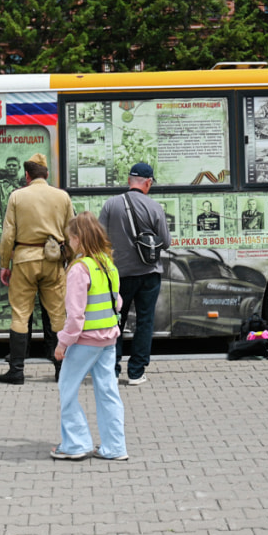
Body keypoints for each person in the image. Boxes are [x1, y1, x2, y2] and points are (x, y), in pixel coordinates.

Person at [50, 213, 128, 461]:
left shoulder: (79, 269)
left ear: (78, 238)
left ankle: (76, 444)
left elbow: (75, 316)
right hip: (108, 339)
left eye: (70, 238)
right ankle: (115, 448)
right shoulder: (107, 263)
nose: (68, 243)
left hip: (85, 341)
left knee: (68, 389)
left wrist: (63, 343)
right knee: (108, 392)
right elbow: (117, 302)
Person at [0, 154, 76, 385]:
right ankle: (62, 369)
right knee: (57, 316)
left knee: (20, 314)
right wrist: (68, 260)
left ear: (27, 175)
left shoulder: (17, 196)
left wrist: (4, 264)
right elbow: (71, 232)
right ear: (47, 175)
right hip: (53, 261)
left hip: (24, 259)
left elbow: (8, 234)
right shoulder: (62, 196)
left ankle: (17, 370)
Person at [98, 162, 172, 386]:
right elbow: (166, 242)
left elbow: (99, 239)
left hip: (118, 275)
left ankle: (112, 370)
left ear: (129, 180)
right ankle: (136, 372)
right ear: (148, 182)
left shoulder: (111, 205)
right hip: (149, 274)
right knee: (145, 321)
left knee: (114, 322)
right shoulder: (155, 207)